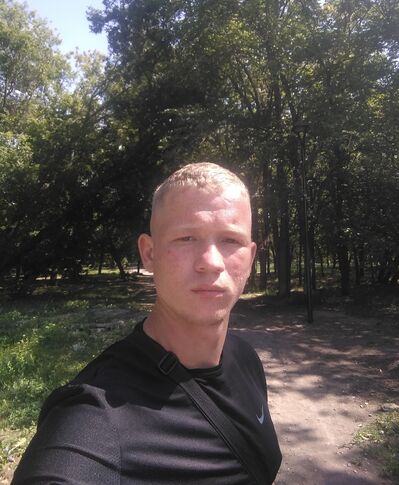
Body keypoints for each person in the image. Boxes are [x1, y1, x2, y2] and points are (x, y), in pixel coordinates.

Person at [12, 162, 281, 484]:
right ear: (149, 253)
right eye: (186, 238)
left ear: (250, 258)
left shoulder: (246, 361)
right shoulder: (94, 418)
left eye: (231, 240)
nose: (210, 262)